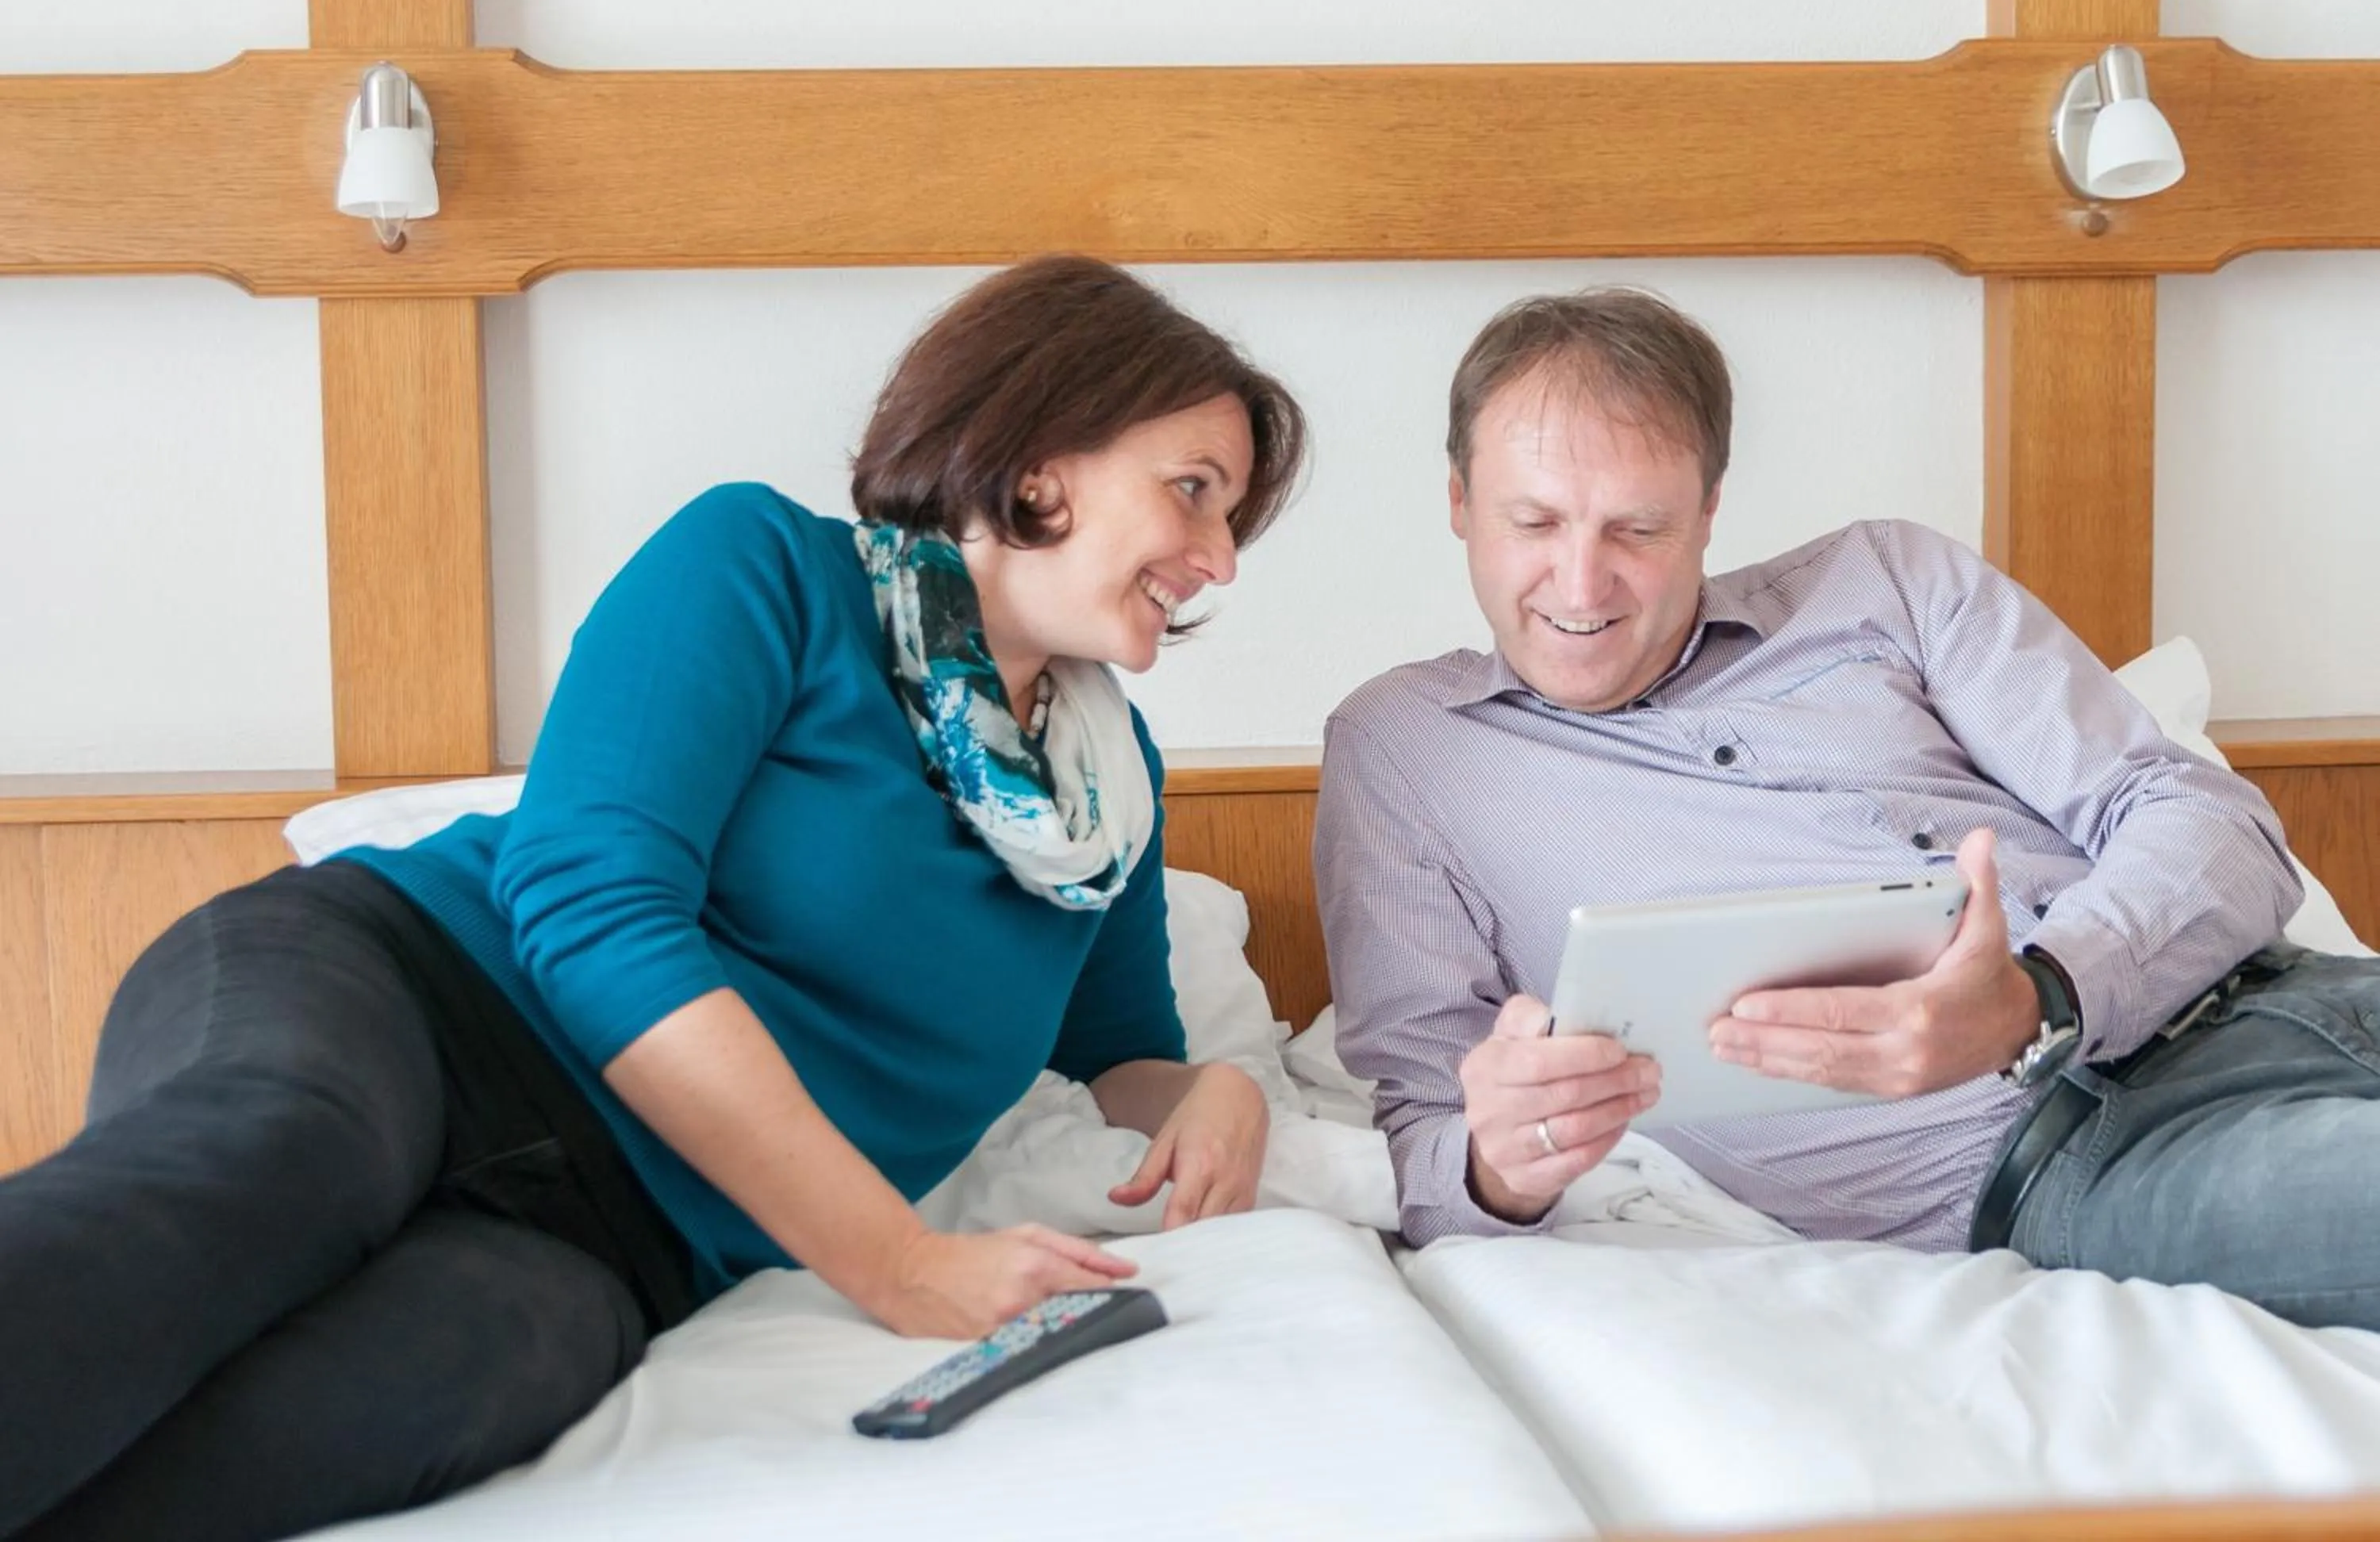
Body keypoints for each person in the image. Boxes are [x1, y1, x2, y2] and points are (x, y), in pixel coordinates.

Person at [0, 255, 1307, 1541]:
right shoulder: (768, 568)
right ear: (1041, 462)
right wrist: (896, 1264)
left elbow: (1118, 1051)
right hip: (417, 997)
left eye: (1230, 517)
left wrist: (1214, 1090)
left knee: (479, 1369)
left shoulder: (1107, 789)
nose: (1219, 559)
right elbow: (589, 908)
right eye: (1193, 492)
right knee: (278, 1157)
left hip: (619, 1233)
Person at [1318, 283, 2380, 1332]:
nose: (1584, 583)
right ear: (1459, 502)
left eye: (1638, 528)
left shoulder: (1889, 582)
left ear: (1707, 513)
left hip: (2282, 992)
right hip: (2078, 1150)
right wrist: (1504, 1160)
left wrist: (2037, 995)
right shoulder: (1402, 752)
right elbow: (1426, 1131)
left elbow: (2207, 817)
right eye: (1534, 521)